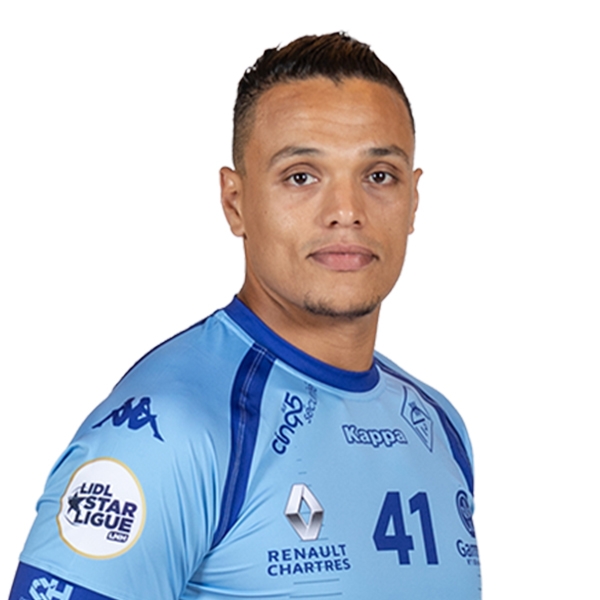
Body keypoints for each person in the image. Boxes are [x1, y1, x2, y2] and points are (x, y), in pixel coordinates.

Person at [9, 32, 481, 599]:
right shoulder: (170, 430)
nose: (346, 211)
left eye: (379, 175)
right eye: (301, 175)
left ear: (413, 201)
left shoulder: (437, 425)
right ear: (235, 202)